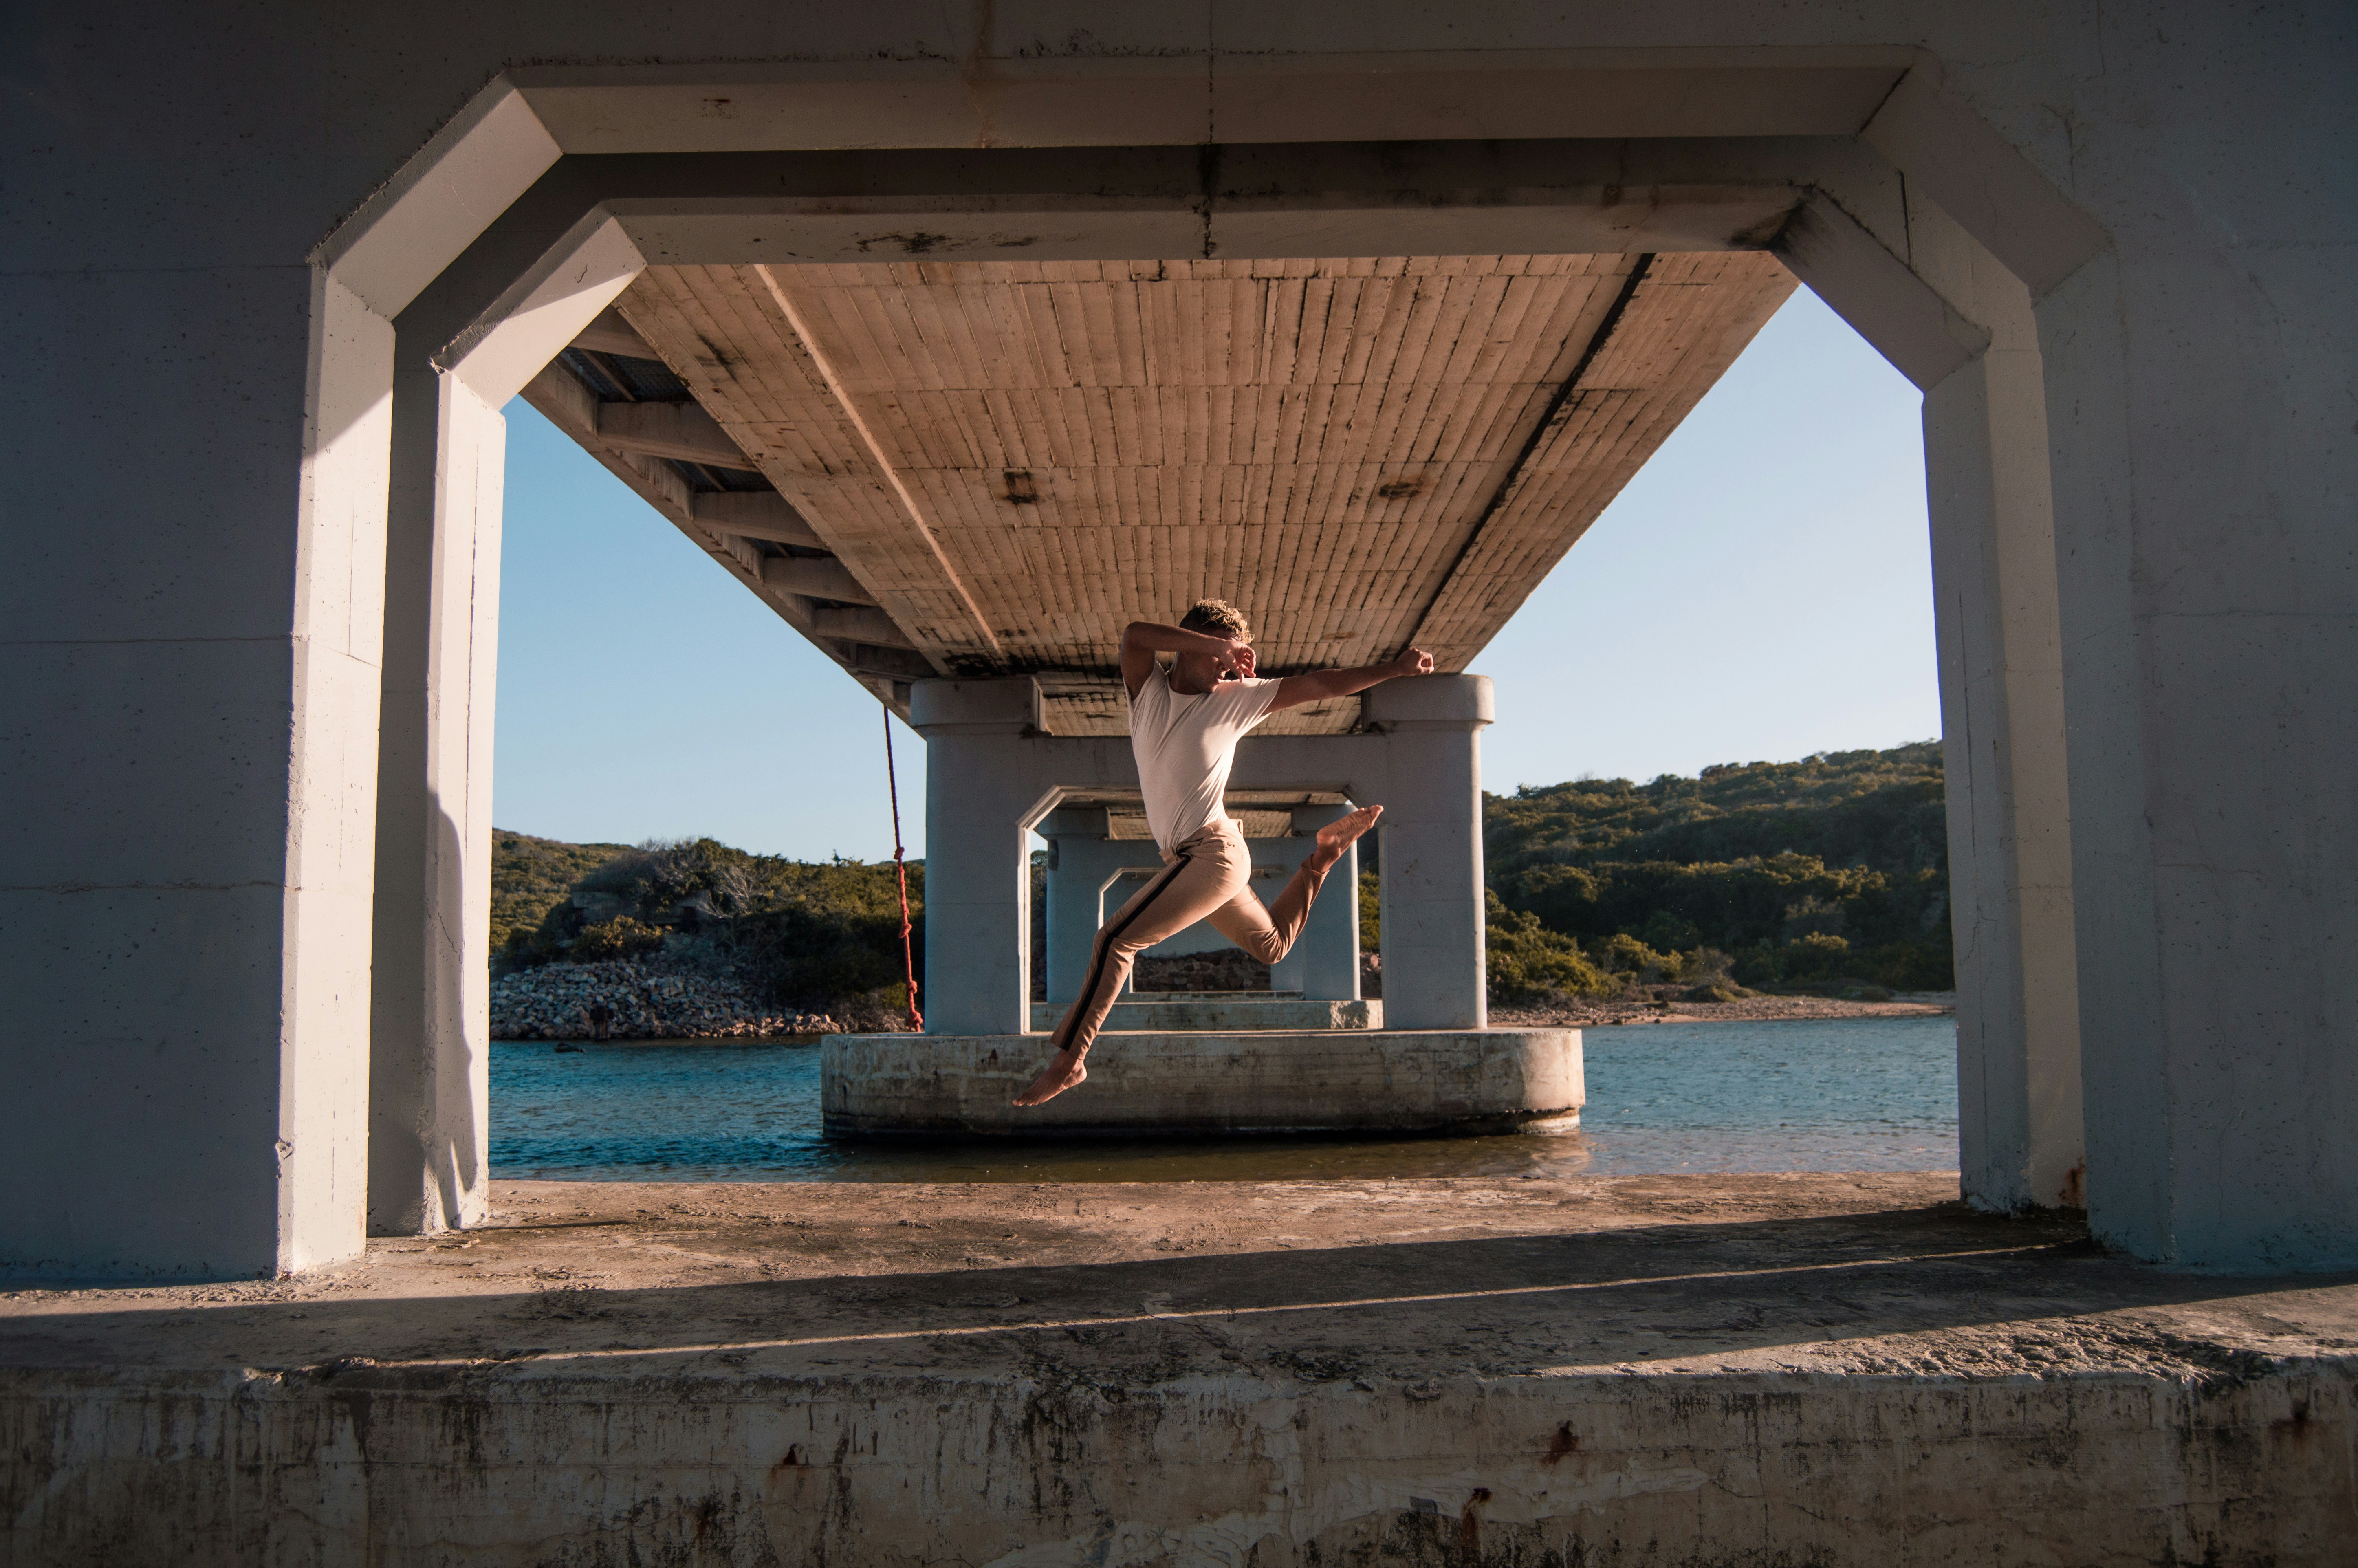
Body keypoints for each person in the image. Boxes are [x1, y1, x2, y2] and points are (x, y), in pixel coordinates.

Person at [1014, 599, 1435, 1106]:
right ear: (1191, 642)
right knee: (1273, 945)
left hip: (1213, 853)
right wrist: (1221, 646)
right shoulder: (1147, 692)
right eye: (1218, 653)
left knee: (1116, 939)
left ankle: (1069, 1061)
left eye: (1231, 657)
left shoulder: (1238, 699)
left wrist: (1396, 669)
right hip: (1193, 861)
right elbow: (1134, 636)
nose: (1226, 665)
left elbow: (1323, 684)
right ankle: (1322, 857)